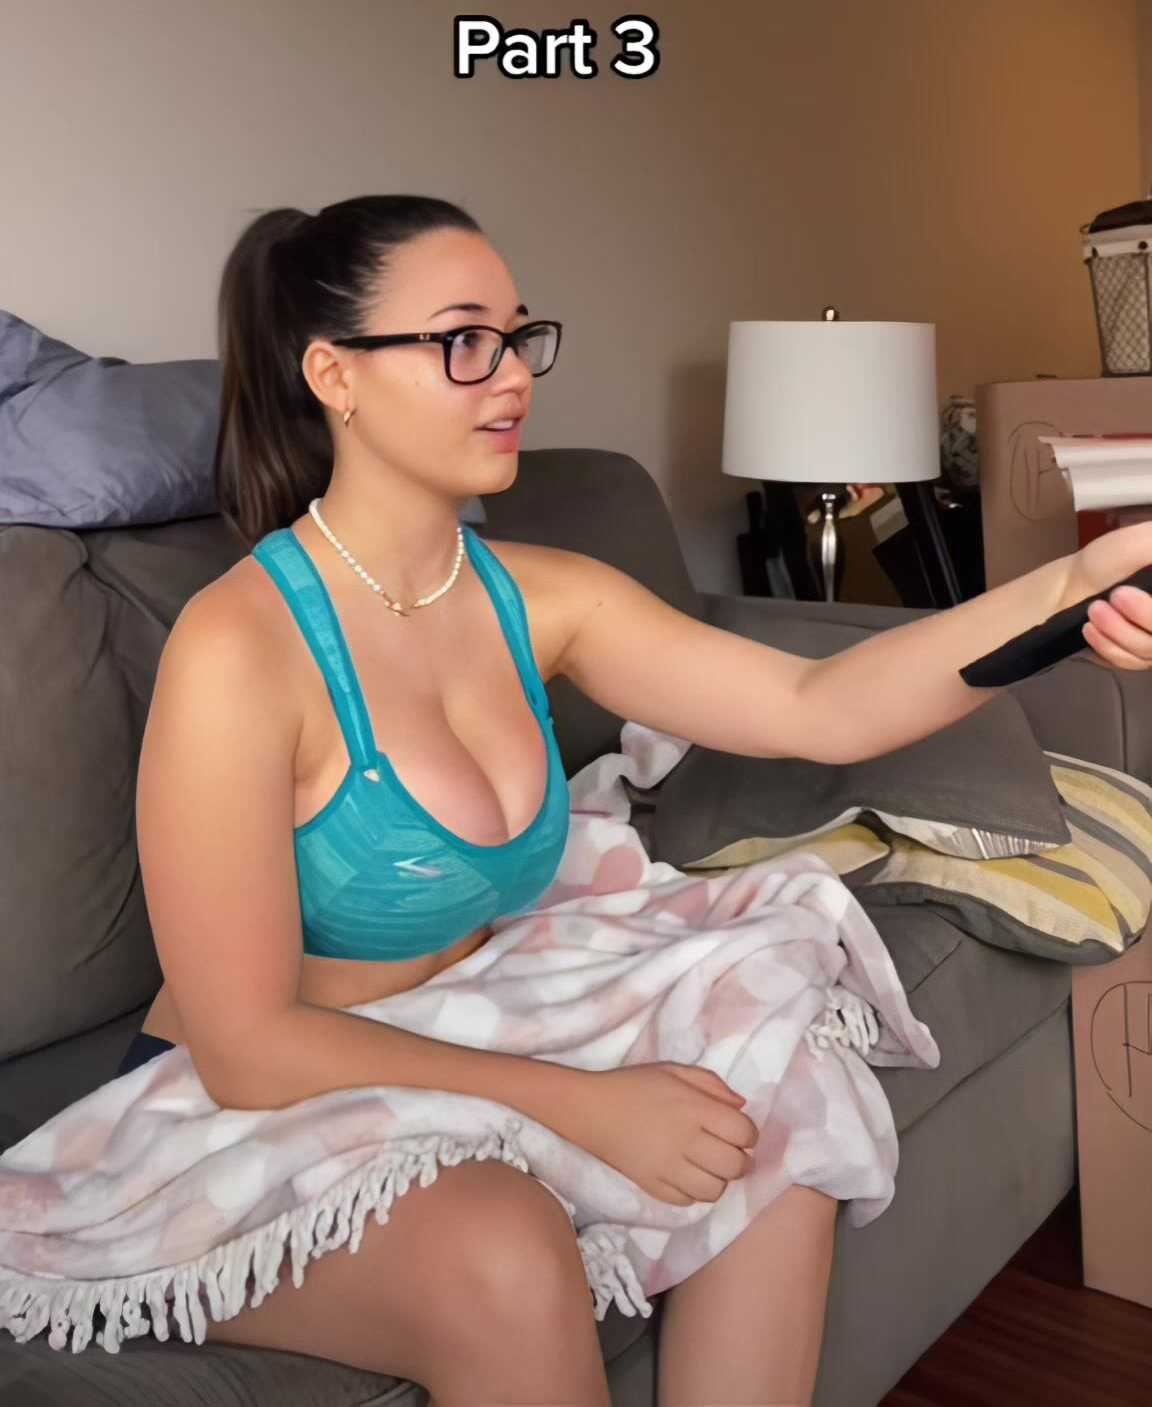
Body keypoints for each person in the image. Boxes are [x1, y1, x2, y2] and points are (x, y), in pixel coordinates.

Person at [122, 192, 1152, 1407]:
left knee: (771, 1109)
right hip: (261, 1091)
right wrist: (587, 1105)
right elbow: (246, 1044)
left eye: (519, 335)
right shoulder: (239, 647)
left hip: (466, 1016)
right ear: (333, 373)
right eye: (464, 340)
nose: (514, 373)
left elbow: (819, 703)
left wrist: (1073, 585)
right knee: (506, 1251)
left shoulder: (540, 596)